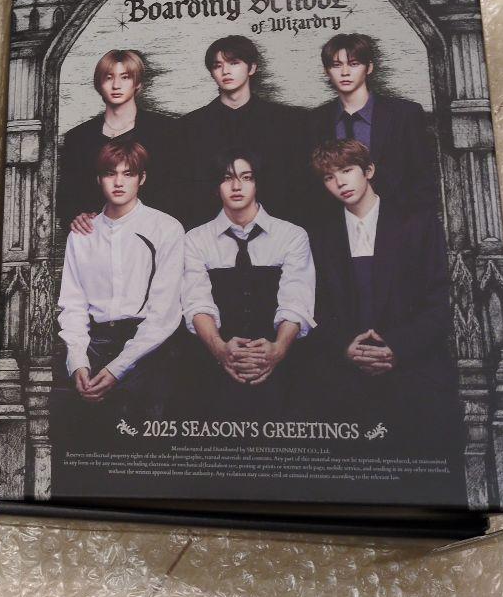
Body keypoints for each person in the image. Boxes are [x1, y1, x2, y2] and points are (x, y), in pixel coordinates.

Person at [308, 138, 462, 472]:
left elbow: (440, 301)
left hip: (414, 372)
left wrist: (397, 348)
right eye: (329, 177)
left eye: (347, 170)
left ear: (369, 171)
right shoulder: (320, 236)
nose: (340, 182)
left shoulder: (417, 223)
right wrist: (345, 347)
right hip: (348, 377)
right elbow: (315, 307)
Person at [55, 138, 184, 437]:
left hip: (148, 350)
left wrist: (117, 369)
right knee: (87, 440)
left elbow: (164, 314)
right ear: (98, 179)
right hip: (95, 346)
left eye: (128, 174)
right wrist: (78, 363)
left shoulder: (166, 228)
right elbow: (73, 305)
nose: (118, 182)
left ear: (142, 178)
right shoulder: (82, 234)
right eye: (110, 173)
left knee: (141, 446)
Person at [181, 149, 315, 415]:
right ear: (216, 186)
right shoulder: (195, 239)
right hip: (215, 364)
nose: (236, 186)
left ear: (257, 182)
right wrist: (220, 350)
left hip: (283, 367)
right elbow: (196, 303)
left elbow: (296, 299)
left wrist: (278, 349)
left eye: (246, 177)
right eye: (227, 178)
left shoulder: (292, 235)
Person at [177, 35, 305, 228]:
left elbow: (293, 185)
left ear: (252, 68)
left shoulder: (285, 122)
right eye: (218, 65)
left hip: (276, 229)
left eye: (234, 63)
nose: (225, 71)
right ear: (212, 73)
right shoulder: (189, 127)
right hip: (210, 231)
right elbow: (186, 190)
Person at [307, 32, 438, 216]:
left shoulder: (405, 114)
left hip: (400, 220)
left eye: (354, 64)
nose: (345, 72)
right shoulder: (315, 120)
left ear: (369, 68)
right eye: (336, 65)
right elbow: (313, 187)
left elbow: (422, 179)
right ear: (326, 71)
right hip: (340, 224)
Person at [55, 48, 174, 233]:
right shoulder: (78, 137)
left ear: (137, 83)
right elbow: (67, 198)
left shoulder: (165, 130)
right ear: (99, 84)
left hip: (152, 233)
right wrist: (76, 217)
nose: (116, 85)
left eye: (125, 77)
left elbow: (177, 191)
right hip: (97, 235)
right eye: (108, 77)